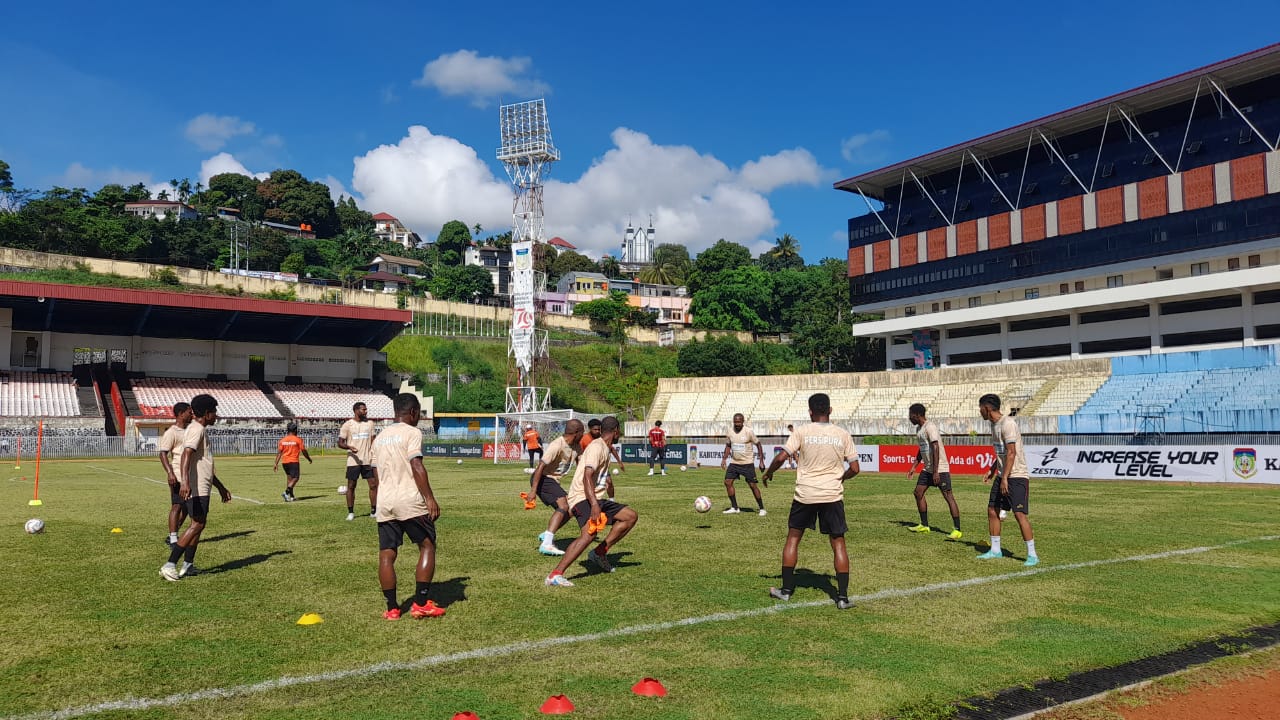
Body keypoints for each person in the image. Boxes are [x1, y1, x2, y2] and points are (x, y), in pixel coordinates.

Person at [761, 393, 860, 610]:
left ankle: (786, 591)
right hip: (832, 495)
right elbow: (855, 468)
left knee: (793, 539)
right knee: (838, 543)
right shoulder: (842, 434)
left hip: (805, 494)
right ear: (830, 410)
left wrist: (768, 473)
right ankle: (842, 598)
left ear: (810, 411)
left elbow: (781, 457)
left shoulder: (802, 431)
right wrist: (841, 478)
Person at [372, 393, 445, 620]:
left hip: (385, 502)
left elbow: (375, 475)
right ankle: (420, 604)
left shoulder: (379, 437)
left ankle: (392, 608)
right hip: (409, 501)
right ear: (413, 412)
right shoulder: (412, 432)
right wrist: (430, 498)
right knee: (427, 546)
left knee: (387, 555)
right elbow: (416, 465)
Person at [545, 416, 639, 587]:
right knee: (589, 534)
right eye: (620, 432)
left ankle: (599, 553)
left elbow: (600, 477)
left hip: (595, 497)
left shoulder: (605, 447)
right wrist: (595, 505)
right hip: (581, 497)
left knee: (630, 516)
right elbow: (587, 476)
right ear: (616, 431)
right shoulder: (597, 447)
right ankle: (555, 575)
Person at [160, 394, 231, 581]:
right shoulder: (196, 429)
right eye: (214, 412)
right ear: (207, 413)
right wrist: (185, 482)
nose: (216, 415)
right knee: (197, 524)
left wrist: (220, 487)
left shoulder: (196, 428)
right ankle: (170, 564)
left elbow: (203, 464)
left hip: (202, 485)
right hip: (196, 487)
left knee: (199, 524)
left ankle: (188, 565)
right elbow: (186, 455)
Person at [977, 393, 1038, 566]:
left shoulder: (1008, 424)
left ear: (987, 408)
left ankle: (1032, 555)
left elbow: (1011, 453)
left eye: (980, 408)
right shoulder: (993, 425)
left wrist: (1005, 478)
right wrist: (992, 470)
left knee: (1020, 515)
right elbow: (1002, 453)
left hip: (1016, 476)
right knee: (992, 510)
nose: (979, 412)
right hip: (1002, 475)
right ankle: (995, 550)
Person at [905, 403, 962, 539]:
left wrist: (936, 472)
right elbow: (922, 449)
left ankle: (957, 530)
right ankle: (924, 525)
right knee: (918, 493)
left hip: (940, 469)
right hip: (927, 469)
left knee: (948, 496)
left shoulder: (930, 427)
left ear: (917, 415)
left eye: (911, 415)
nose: (909, 418)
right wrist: (914, 466)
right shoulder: (919, 429)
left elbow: (935, 447)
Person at [529, 419, 585, 556]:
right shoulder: (557, 445)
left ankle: (547, 534)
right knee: (563, 505)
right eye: (582, 432)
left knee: (572, 508)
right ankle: (546, 544)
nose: (583, 435)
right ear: (576, 432)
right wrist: (533, 491)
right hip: (542, 479)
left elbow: (581, 465)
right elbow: (540, 467)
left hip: (552, 481)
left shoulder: (576, 446)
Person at [158, 402, 193, 546]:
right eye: (189, 412)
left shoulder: (190, 430)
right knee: (177, 506)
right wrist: (170, 473)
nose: (192, 415)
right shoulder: (171, 432)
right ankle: (173, 539)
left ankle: (172, 534)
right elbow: (163, 454)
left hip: (189, 475)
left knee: (186, 508)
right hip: (178, 475)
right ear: (180, 414)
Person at [720, 413, 767, 516]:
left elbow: (758, 444)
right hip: (734, 462)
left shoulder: (748, 431)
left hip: (747, 463)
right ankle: (734, 507)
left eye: (739, 422)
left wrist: (761, 461)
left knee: (752, 485)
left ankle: (762, 508)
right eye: (735, 422)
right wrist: (724, 459)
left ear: (742, 421)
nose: (737, 424)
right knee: (727, 482)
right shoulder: (730, 431)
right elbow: (728, 445)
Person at [339, 402, 378, 521]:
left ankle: (374, 511)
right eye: (363, 409)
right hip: (353, 461)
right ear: (356, 410)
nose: (366, 411)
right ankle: (351, 512)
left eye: (366, 409)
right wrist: (349, 447)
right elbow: (340, 443)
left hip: (368, 460)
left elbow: (373, 440)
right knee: (351, 486)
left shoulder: (370, 423)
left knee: (373, 485)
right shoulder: (347, 425)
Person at [274, 421, 313, 502]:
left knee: (289, 479)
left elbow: (279, 452)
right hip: (293, 461)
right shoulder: (298, 439)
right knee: (296, 478)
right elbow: (303, 451)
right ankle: (286, 492)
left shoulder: (282, 440)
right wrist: (309, 458)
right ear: (295, 430)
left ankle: (291, 496)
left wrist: (276, 463)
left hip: (285, 462)